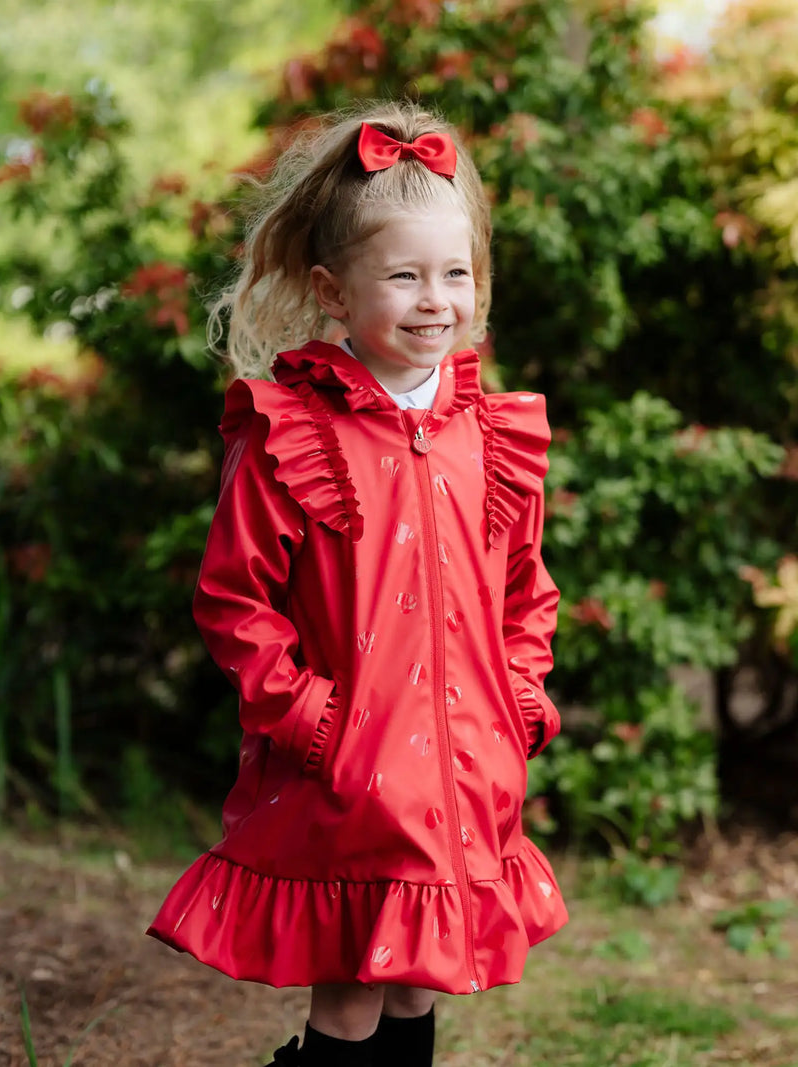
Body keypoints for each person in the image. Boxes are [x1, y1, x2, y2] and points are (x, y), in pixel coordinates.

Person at [147, 101, 568, 1067]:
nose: (436, 299)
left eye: (455, 273)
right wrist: (310, 720)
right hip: (352, 764)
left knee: (423, 979)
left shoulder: (486, 433)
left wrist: (521, 698)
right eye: (406, 275)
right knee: (352, 994)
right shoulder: (293, 428)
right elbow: (234, 598)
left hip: (462, 765)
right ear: (334, 291)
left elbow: (525, 588)